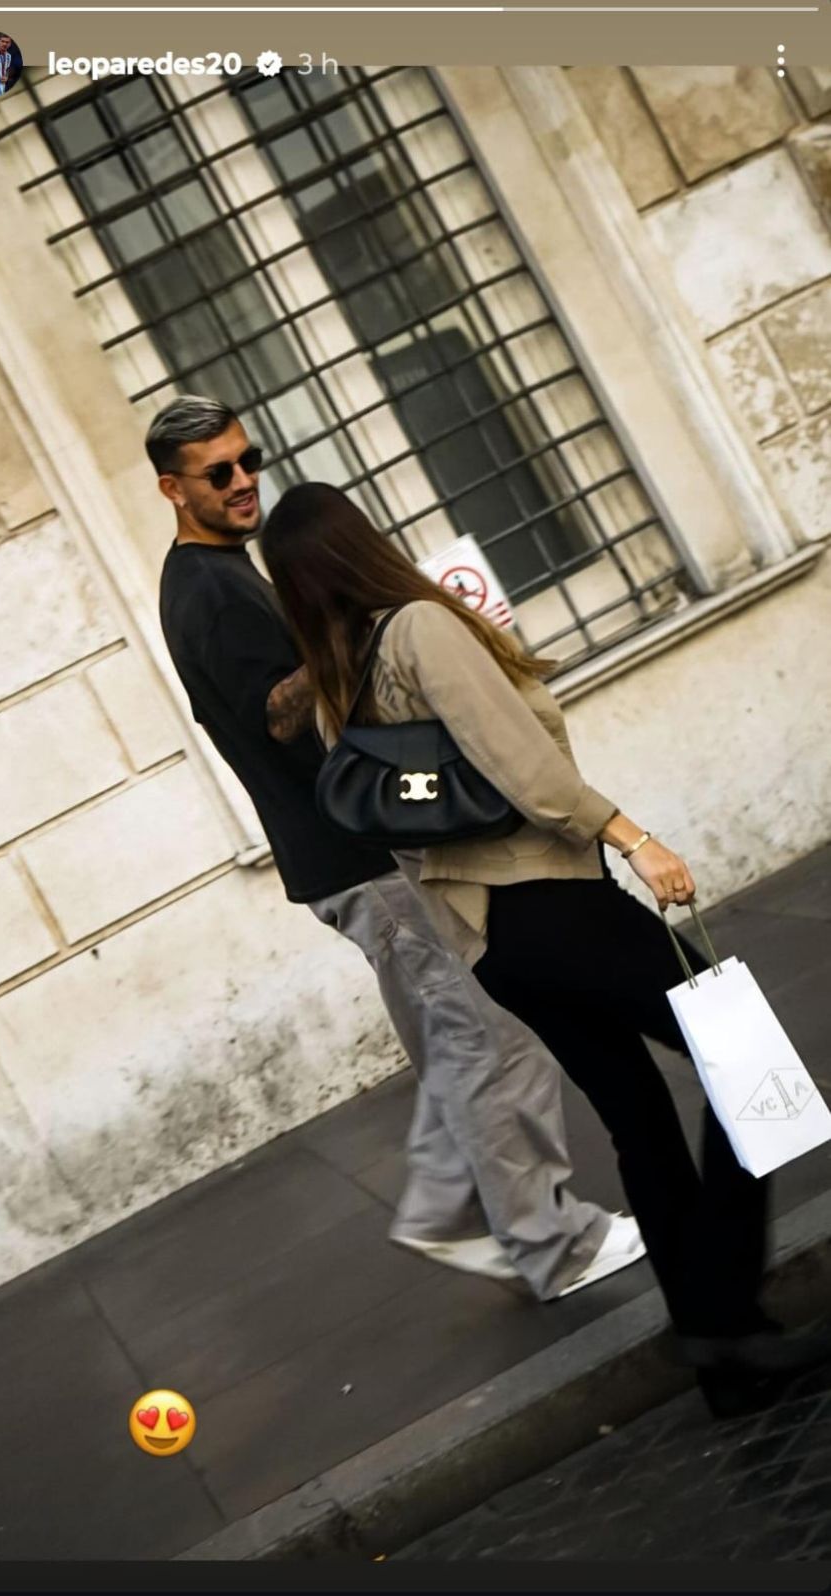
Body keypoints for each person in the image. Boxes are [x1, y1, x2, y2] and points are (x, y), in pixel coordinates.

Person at [260, 479, 831, 1416]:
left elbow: (410, 832)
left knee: (638, 1118)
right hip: (555, 900)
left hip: (491, 941)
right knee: (746, 1056)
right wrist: (634, 838)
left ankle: (720, 1357)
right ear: (366, 547)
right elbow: (522, 767)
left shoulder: (336, 695)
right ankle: (729, 1314)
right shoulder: (419, 628)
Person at [149, 394, 645, 1300]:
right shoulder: (210, 590)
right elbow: (274, 714)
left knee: (457, 1037)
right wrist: (348, 630)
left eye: (249, 460)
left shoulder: (221, 572)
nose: (243, 482)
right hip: (362, 857)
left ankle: (451, 1213)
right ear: (172, 489)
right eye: (217, 473)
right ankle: (550, 1245)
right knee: (490, 1035)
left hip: (350, 857)